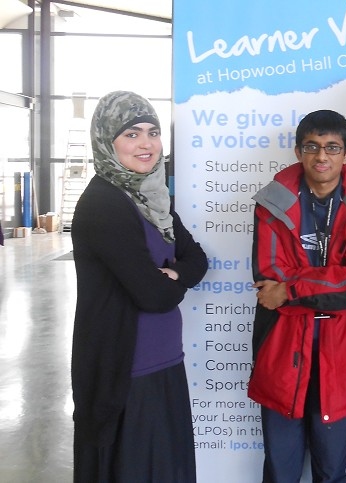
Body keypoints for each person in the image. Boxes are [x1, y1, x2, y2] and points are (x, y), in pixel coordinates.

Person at [70, 90, 208, 482]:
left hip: (164, 361)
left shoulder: (154, 198)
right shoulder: (104, 203)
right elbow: (153, 295)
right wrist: (172, 279)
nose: (146, 144)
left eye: (152, 131)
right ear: (107, 140)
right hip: (127, 372)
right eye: (131, 134)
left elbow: (197, 259)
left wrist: (175, 274)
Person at [248, 109, 346, 482]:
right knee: (280, 471)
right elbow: (268, 279)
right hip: (282, 352)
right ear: (298, 152)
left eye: (331, 147)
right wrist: (328, 285)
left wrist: (293, 288)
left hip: (341, 357)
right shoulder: (271, 203)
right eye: (311, 147)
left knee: (331, 470)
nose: (321, 156)